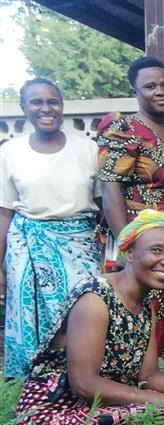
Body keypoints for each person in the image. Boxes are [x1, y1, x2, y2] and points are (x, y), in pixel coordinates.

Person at [15, 210, 164, 425]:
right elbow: (84, 385)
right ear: (129, 253)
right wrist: (162, 400)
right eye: (156, 250)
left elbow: (149, 375)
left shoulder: (145, 306)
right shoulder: (95, 299)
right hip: (53, 411)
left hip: (95, 406)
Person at [0, 78, 101, 378]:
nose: (46, 108)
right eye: (37, 102)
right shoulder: (10, 152)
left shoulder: (88, 149)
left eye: (52, 101)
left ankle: (82, 382)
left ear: (62, 105)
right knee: (29, 319)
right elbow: (4, 213)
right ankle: (31, 388)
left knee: (84, 313)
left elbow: (105, 207)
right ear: (24, 108)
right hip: (26, 247)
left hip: (79, 245)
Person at [97, 56, 164, 369]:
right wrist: (128, 245)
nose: (160, 91)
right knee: (139, 308)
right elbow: (110, 188)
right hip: (138, 231)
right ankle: (135, 388)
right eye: (150, 86)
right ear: (134, 90)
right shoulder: (124, 127)